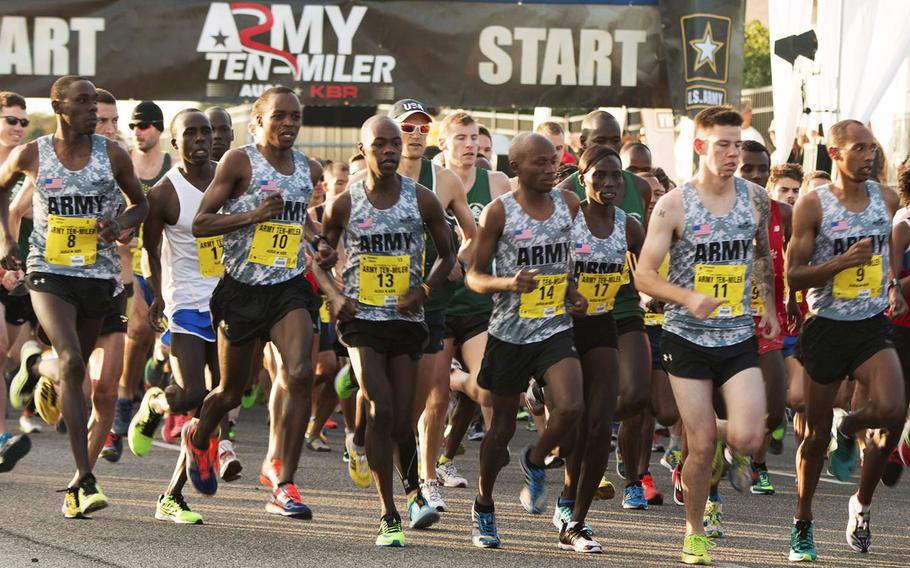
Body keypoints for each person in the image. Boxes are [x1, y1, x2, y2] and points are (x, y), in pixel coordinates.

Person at [635, 106, 777, 565]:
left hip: (736, 334)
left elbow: (760, 256)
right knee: (700, 446)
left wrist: (769, 306)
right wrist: (686, 297)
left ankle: (725, 432)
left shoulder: (755, 198)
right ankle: (694, 532)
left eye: (738, 144)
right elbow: (643, 276)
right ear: (700, 147)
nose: (734, 153)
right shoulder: (674, 204)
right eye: (724, 145)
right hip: (687, 337)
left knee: (752, 437)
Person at [184, 86, 335, 520]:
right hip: (242, 290)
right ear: (259, 121)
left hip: (288, 287)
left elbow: (297, 218)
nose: (289, 123)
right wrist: (253, 216)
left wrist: (317, 240)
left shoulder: (307, 167)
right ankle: (200, 434)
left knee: (301, 372)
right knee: (233, 390)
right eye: (280, 116)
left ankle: (282, 479)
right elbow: (201, 223)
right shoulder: (239, 162)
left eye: (295, 117)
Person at [2, 75, 148, 517]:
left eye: (95, 103)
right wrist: (8, 244)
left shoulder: (114, 155)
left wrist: (121, 222)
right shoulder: (33, 153)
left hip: (99, 277)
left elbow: (139, 204)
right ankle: (83, 480)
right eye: (83, 103)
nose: (92, 110)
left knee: (75, 365)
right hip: (48, 272)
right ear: (60, 106)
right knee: (71, 361)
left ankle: (31, 361)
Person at [313, 115, 455, 547]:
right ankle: (388, 513)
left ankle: (411, 492)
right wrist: (336, 298)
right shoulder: (345, 202)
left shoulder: (423, 199)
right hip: (361, 322)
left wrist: (425, 290)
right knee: (381, 404)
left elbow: (449, 256)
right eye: (381, 144)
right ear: (363, 148)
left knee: (399, 417)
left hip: (407, 320)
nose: (391, 150)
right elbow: (319, 258)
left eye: (396, 143)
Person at [786, 119, 907, 561]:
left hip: (871, 324)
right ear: (834, 154)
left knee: (893, 409)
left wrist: (892, 288)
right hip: (827, 325)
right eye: (859, 148)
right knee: (814, 438)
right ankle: (802, 521)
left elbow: (886, 262)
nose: (870, 156)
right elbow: (794, 275)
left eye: (872, 148)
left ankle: (849, 427)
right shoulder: (812, 205)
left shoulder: (887, 199)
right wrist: (838, 263)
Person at [465, 132, 586, 549]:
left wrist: (572, 293)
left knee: (571, 407)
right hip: (509, 333)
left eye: (553, 161)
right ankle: (483, 505)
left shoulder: (569, 205)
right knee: (498, 431)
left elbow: (566, 259)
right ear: (516, 168)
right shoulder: (498, 213)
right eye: (540, 163)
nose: (551, 169)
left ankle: (536, 459)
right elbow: (474, 275)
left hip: (554, 328)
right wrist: (507, 283)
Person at [129, 108, 223, 524]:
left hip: (226, 301)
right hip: (184, 301)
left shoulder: (228, 178)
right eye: (192, 133)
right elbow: (149, 250)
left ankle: (172, 496)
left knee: (221, 398)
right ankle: (156, 403)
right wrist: (157, 299)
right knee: (189, 396)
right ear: (175, 142)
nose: (202, 139)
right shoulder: (165, 193)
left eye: (207, 131)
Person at [558, 110, 653, 509]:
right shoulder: (565, 196)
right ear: (582, 145)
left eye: (616, 141)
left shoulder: (640, 190)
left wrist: (655, 288)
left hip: (623, 305)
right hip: (576, 315)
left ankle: (608, 446)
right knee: (579, 411)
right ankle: (573, 486)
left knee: (634, 396)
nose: (610, 149)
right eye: (601, 141)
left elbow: (644, 252)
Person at [434, 112, 510, 488]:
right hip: (437, 303)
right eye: (461, 138)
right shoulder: (429, 182)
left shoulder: (495, 182)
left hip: (480, 304)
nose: (470, 146)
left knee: (487, 389)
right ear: (443, 144)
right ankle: (428, 475)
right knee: (433, 402)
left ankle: (475, 468)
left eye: (475, 139)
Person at [106, 100, 173, 461]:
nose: (138, 131)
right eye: (133, 125)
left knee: (170, 345)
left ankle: (154, 383)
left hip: (164, 265)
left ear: (159, 129)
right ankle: (121, 410)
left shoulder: (170, 169)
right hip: (127, 263)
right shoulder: (122, 164)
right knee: (137, 333)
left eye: (145, 125)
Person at [0, 91, 32, 471]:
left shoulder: (25, 167)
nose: (18, 128)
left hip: (17, 269)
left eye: (23, 122)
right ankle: (3, 436)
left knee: (11, 357)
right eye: (12, 120)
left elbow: (20, 218)